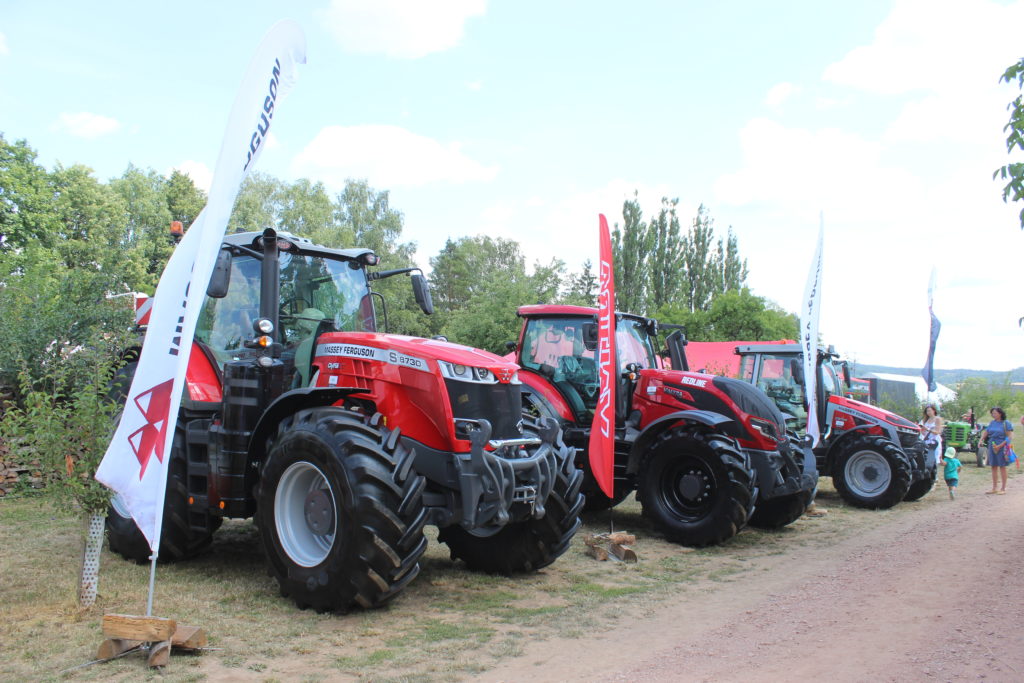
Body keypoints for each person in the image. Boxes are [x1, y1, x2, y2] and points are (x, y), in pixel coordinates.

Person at [978, 407, 1013, 494]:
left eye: (995, 413)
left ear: (1000, 413)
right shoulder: (992, 423)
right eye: (992, 413)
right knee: (993, 466)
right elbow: (986, 432)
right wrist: (981, 439)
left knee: (1002, 466)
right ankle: (994, 488)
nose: (993, 415)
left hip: (1002, 446)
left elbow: (1010, 437)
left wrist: (1000, 446)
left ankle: (1003, 488)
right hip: (992, 445)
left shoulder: (1006, 423)